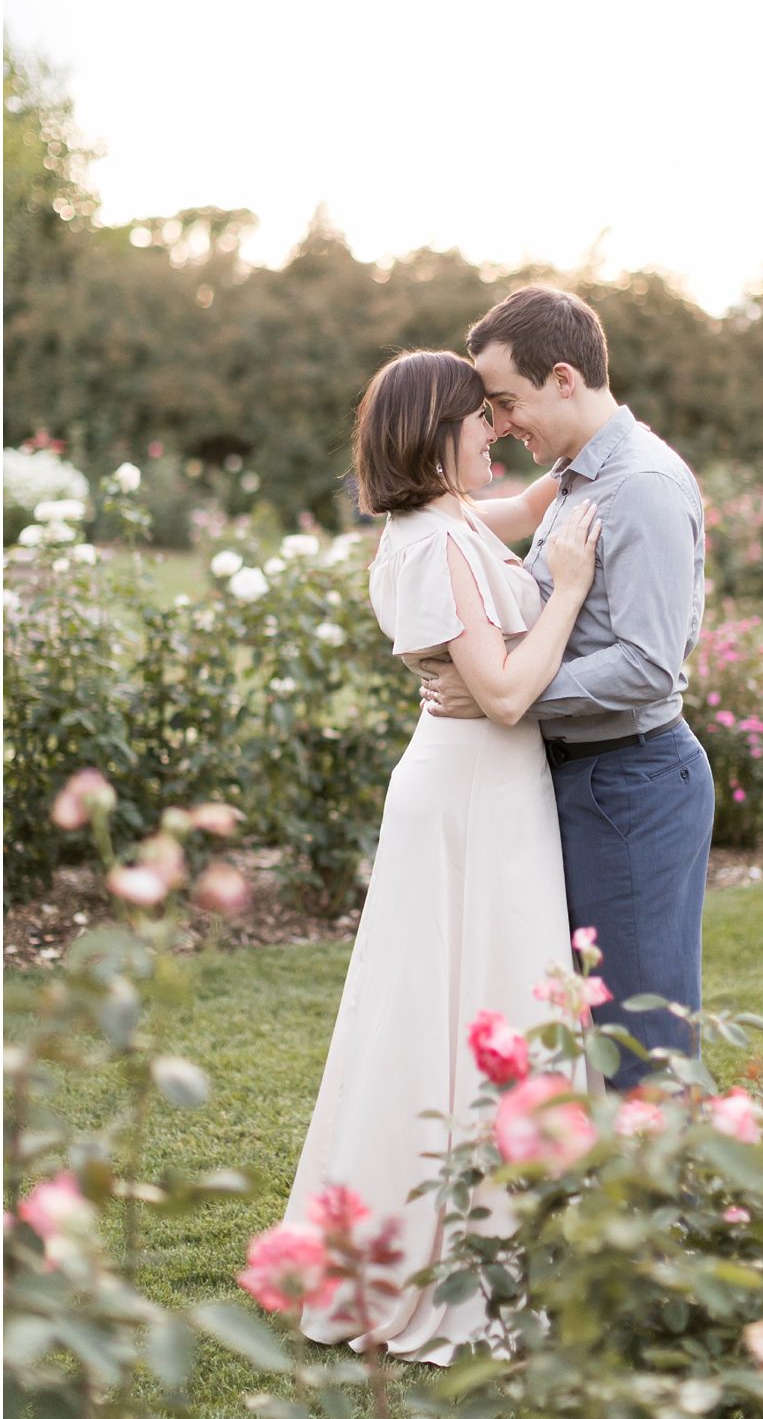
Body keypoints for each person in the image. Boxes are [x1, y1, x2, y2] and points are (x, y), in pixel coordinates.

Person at [283, 349, 598, 1359]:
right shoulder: (428, 546)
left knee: (487, 996)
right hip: (468, 787)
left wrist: (588, 444)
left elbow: (520, 507)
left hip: (486, 786)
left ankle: (502, 1229)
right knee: (450, 1010)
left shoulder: (450, 521)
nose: (492, 432)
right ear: (433, 430)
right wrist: (569, 588)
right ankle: (437, 1255)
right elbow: (503, 691)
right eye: (478, 418)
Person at [420, 287, 712, 1090]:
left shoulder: (641, 486)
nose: (502, 423)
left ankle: (678, 1212)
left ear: (562, 378)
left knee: (641, 1035)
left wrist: (503, 694)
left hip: (633, 782)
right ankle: (630, 1209)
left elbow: (651, 665)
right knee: (594, 1030)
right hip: (583, 780)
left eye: (506, 402)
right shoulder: (576, 479)